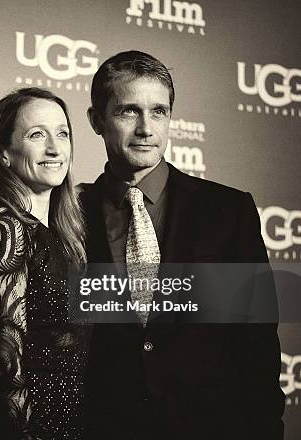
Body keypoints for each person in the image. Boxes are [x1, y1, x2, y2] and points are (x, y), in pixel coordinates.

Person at [80, 51, 284, 439]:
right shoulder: (69, 215)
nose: (146, 129)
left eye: (158, 112)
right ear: (96, 120)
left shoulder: (228, 211)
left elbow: (257, 345)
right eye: (128, 112)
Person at [0, 87, 91, 439]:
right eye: (37, 135)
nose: (55, 148)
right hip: (33, 428)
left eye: (63, 134)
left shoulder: (66, 233)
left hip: (74, 425)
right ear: (5, 153)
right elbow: (7, 355)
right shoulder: (6, 227)